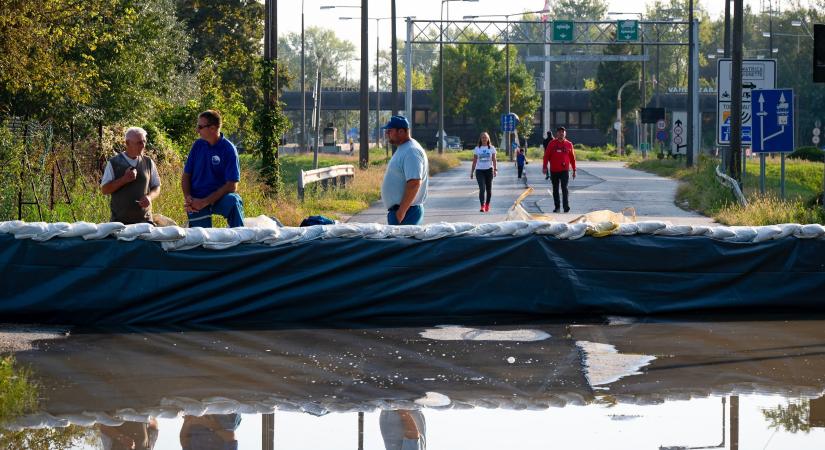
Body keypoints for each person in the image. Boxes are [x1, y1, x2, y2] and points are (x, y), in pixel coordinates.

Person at [181, 110, 244, 228]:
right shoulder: (197, 146)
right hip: (196, 199)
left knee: (234, 201)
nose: (197, 130)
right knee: (201, 239)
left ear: (213, 128)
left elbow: (232, 185)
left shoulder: (228, 149)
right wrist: (188, 198)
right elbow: (186, 176)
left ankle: (241, 238)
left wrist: (205, 202)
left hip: (219, 199)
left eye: (200, 127)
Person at [100, 127, 161, 225]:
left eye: (144, 142)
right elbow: (105, 190)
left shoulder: (148, 162)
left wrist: (149, 197)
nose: (143, 146)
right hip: (120, 223)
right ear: (127, 143)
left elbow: (157, 186)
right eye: (139, 143)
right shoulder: (114, 162)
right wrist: (124, 179)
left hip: (145, 221)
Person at [381, 115, 429, 225]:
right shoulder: (404, 148)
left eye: (390, 131)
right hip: (404, 212)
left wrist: (401, 212)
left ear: (401, 132)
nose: (387, 134)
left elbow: (414, 183)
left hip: (407, 212)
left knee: (404, 243)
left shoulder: (411, 151)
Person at [542, 126, 577, 213]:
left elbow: (572, 158)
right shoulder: (552, 143)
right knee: (555, 189)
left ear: (565, 133)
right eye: (559, 132)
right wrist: (544, 167)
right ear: (557, 133)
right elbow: (546, 156)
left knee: (564, 188)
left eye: (563, 132)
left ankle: (566, 206)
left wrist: (574, 170)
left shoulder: (569, 144)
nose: (561, 133)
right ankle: (557, 207)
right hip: (554, 170)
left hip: (565, 170)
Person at [469, 131, 497, 212]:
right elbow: (474, 161)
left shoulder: (492, 148)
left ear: (488, 138)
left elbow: (494, 160)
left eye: (485, 137)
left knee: (489, 189)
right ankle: (482, 206)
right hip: (479, 171)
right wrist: (472, 172)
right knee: (482, 188)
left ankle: (487, 204)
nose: (484, 139)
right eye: (482, 137)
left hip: (489, 170)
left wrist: (495, 169)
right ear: (480, 139)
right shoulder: (477, 149)